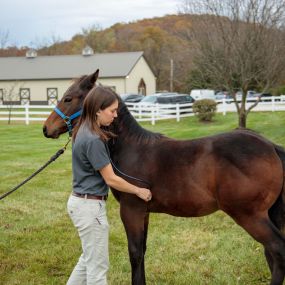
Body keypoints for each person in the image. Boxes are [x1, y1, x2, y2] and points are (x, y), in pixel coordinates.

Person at [66, 86, 152, 285]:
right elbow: (111, 179)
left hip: (80, 203)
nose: (115, 116)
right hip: (90, 208)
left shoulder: (82, 130)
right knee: (98, 268)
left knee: (87, 260)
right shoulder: (94, 139)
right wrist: (139, 190)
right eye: (112, 111)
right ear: (98, 109)